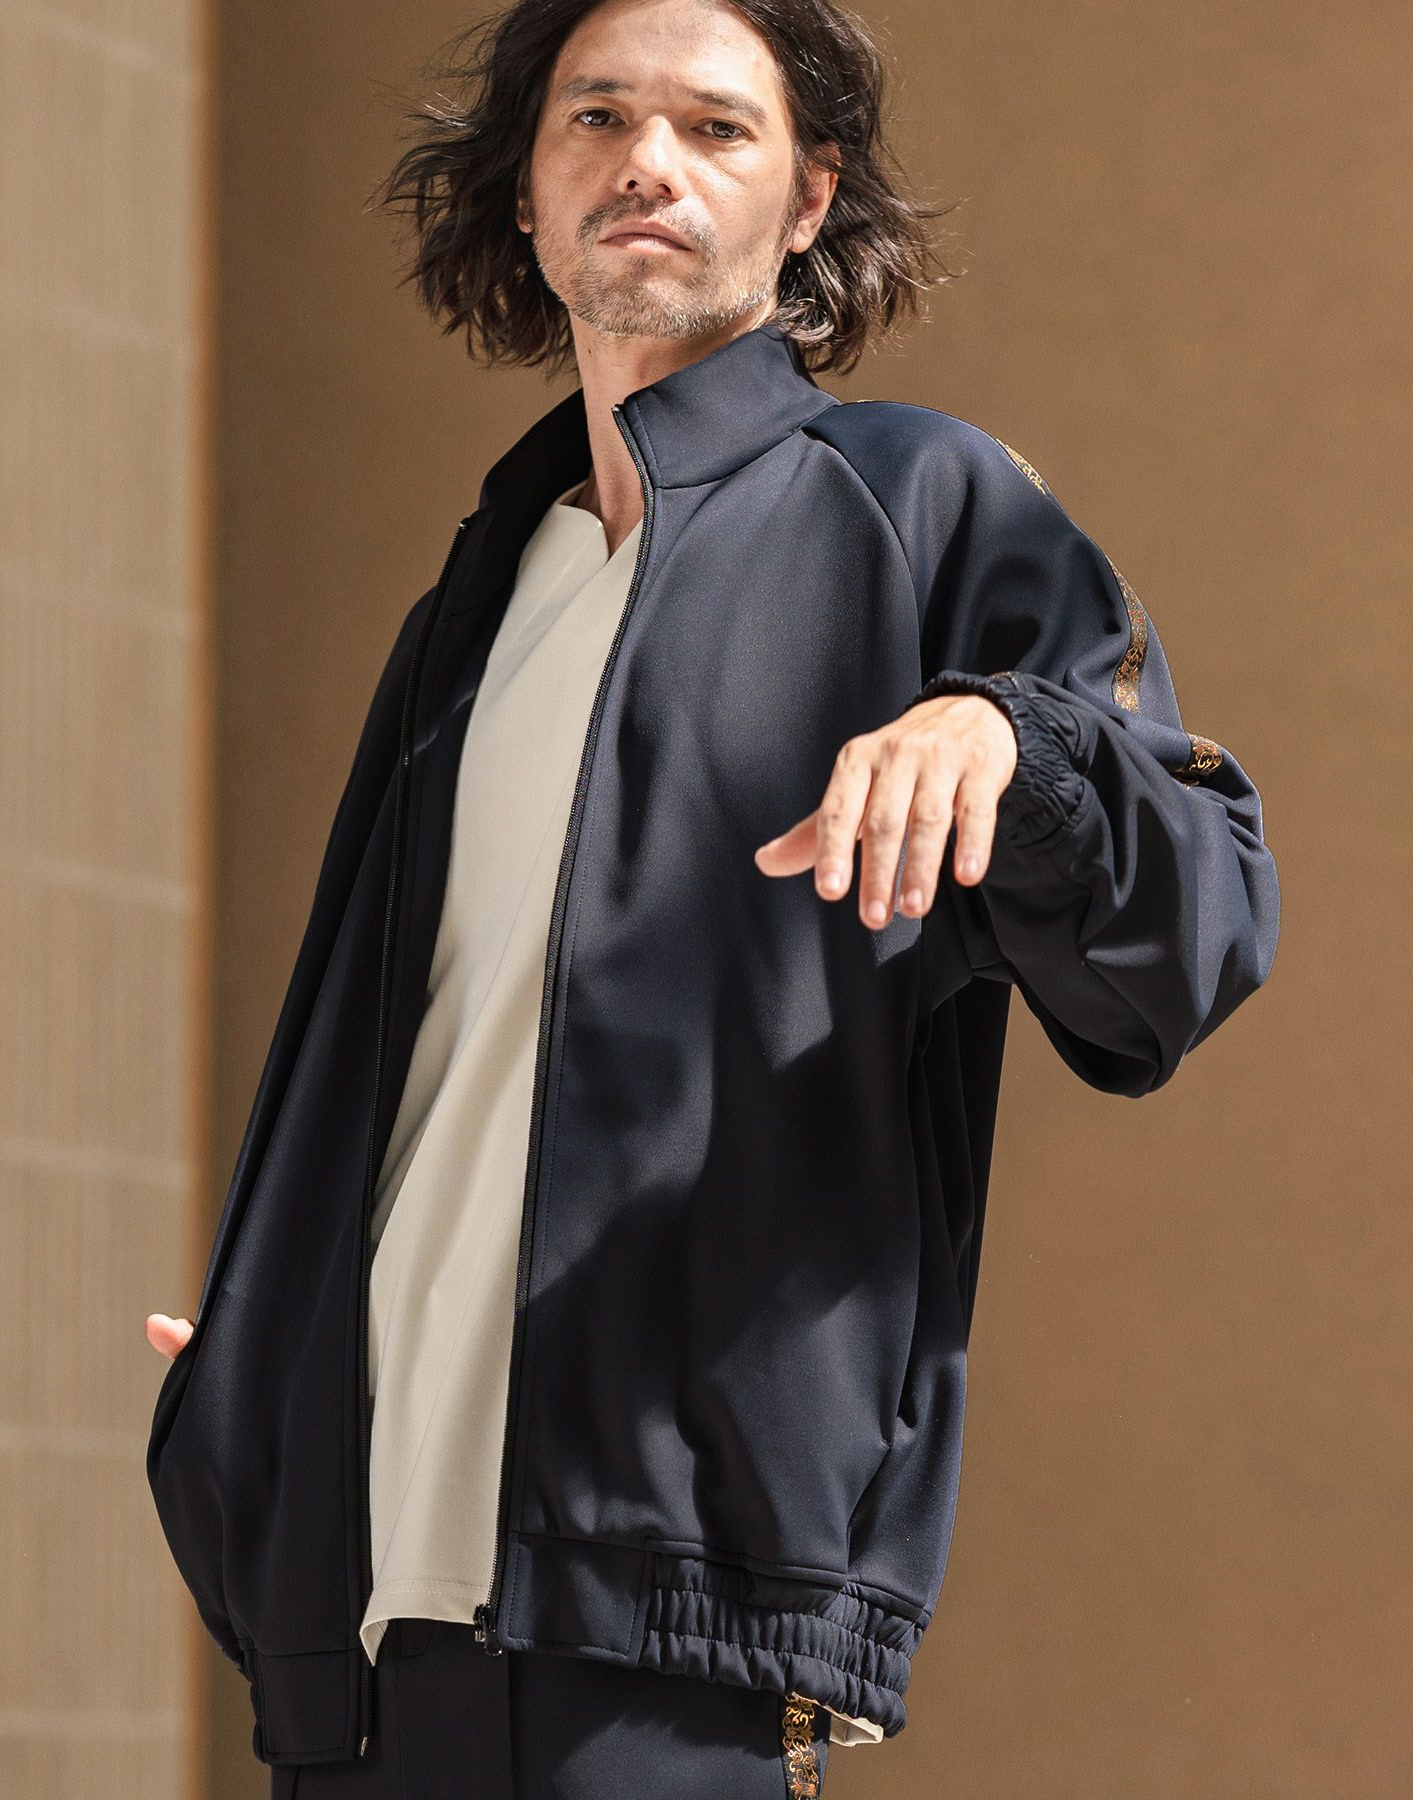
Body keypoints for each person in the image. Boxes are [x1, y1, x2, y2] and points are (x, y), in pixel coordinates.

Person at [144, 0, 1281, 1794]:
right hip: (360, 1639)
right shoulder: (473, 606)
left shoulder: (917, 507)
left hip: (674, 1628)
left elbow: (1197, 928)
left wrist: (1017, 743)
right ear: (529, 188)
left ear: (809, 198)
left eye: (716, 127)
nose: (647, 163)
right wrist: (275, 1361)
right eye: (595, 118)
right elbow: (422, 1068)